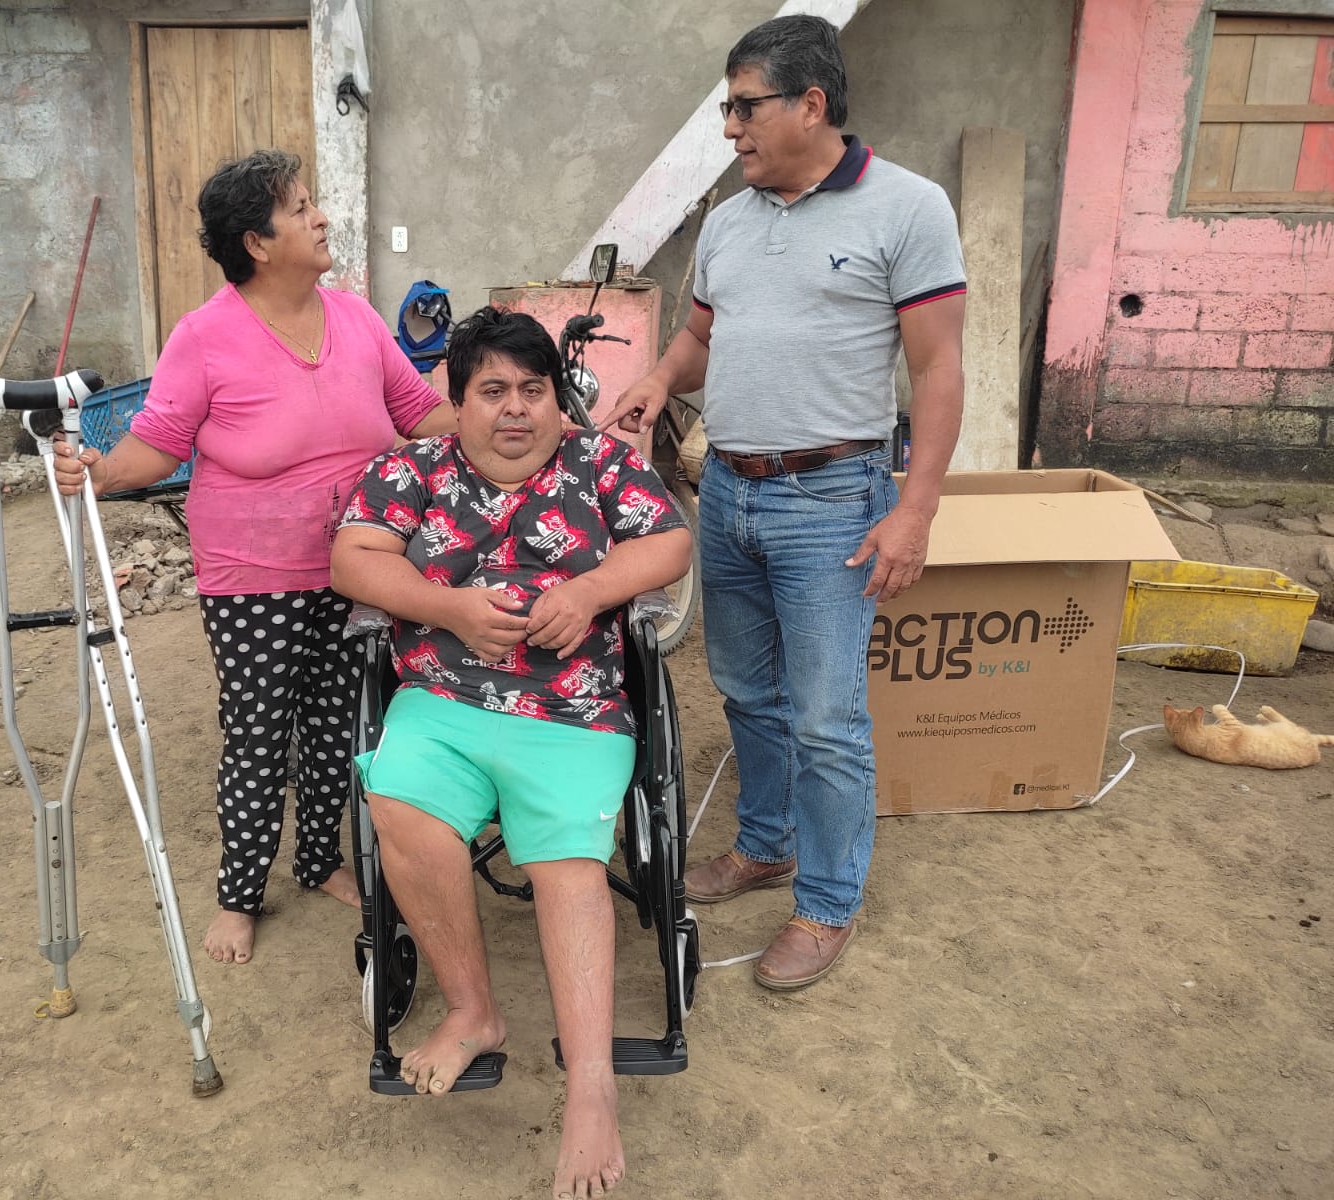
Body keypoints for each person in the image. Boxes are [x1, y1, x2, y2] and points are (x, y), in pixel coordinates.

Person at [606, 14, 965, 991]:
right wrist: (658, 379)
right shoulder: (729, 221)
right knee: (746, 692)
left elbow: (937, 369)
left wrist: (915, 509)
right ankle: (766, 845)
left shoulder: (908, 208)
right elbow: (701, 337)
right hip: (727, 492)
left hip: (833, 501)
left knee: (826, 717)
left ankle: (828, 902)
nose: (730, 129)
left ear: (811, 104)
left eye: (744, 107)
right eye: (726, 111)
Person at [51, 149, 455, 965]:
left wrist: (514, 416)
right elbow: (159, 443)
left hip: (361, 564)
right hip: (253, 578)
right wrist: (96, 471)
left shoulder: (355, 318)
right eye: (300, 208)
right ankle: (239, 894)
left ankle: (317, 860)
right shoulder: (205, 337)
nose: (321, 217)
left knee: (340, 724)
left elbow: (419, 412)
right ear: (258, 244)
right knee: (259, 733)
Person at [330, 307, 692, 1200]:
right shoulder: (411, 469)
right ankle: (473, 1012)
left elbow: (672, 542)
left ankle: (592, 1090)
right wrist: (448, 607)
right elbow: (353, 558)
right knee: (400, 800)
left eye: (534, 389)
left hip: (574, 707)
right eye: (492, 391)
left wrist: (592, 590)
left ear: (557, 400)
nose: (517, 409)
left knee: (567, 860)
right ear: (457, 403)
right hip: (443, 699)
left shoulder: (601, 463)